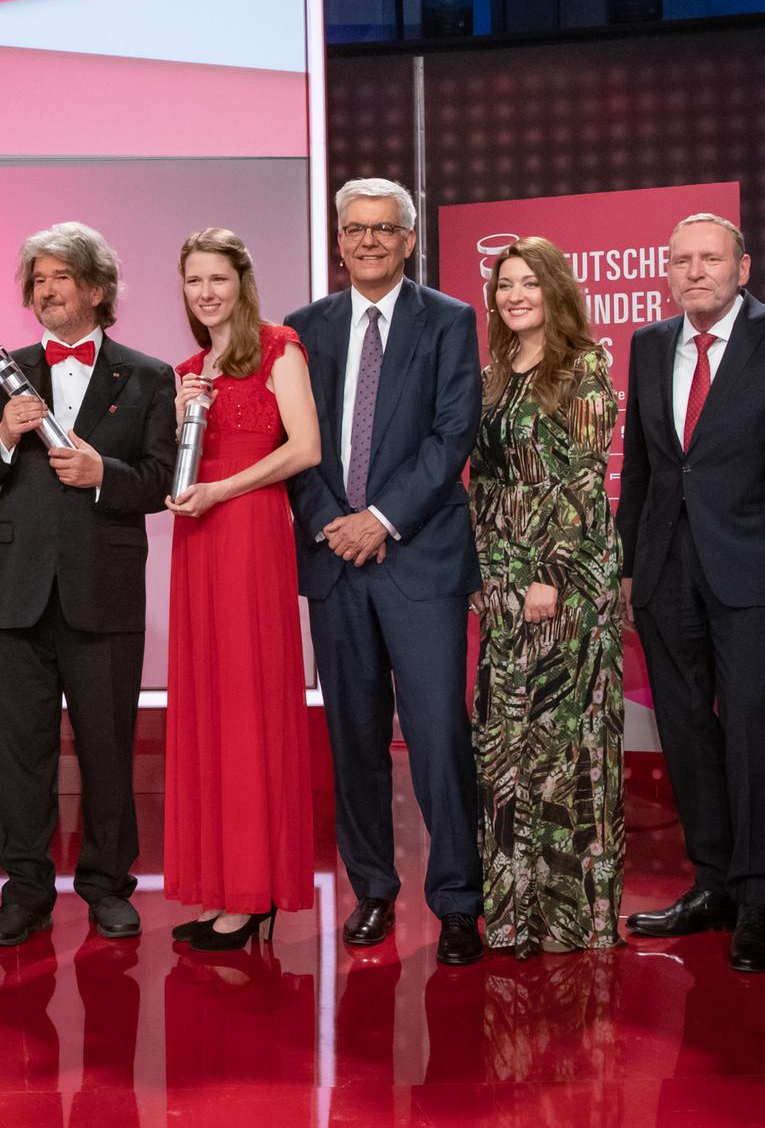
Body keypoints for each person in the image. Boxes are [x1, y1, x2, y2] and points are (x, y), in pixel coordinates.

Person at [284, 178, 487, 966]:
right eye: (354, 229)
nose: (367, 241)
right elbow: (294, 445)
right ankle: (372, 888)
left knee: (438, 736)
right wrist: (334, 523)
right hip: (336, 562)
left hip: (419, 560)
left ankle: (458, 900)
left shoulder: (450, 320)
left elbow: (451, 434)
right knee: (354, 737)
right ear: (338, 241)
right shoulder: (303, 331)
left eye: (384, 229)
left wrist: (381, 519)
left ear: (409, 240)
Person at [0, 222, 177, 945]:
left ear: (96, 288)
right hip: (19, 593)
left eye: (60, 277)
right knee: (20, 751)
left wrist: (101, 476)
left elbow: (159, 481)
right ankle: (24, 891)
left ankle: (108, 885)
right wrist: (3, 438)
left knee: (108, 746)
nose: (47, 290)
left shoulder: (147, 376)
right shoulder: (4, 371)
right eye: (38, 279)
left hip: (104, 591)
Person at [615, 213, 765, 973]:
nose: (695, 271)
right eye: (681, 261)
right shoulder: (647, 344)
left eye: (710, 258)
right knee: (686, 733)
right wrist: (627, 564)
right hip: (666, 569)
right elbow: (641, 465)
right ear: (666, 272)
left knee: (750, 728)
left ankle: (758, 899)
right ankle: (711, 884)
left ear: (742, 266)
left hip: (758, 574)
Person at [162, 229, 320, 950]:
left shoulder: (279, 346)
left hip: (252, 531)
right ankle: (223, 885)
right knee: (209, 706)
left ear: (241, 282)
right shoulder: (189, 368)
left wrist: (223, 486)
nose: (206, 292)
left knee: (249, 702)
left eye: (218, 278)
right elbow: (181, 470)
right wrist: (179, 423)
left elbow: (305, 448)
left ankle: (255, 891)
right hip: (199, 540)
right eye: (195, 280)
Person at [470, 236, 625, 959]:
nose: (515, 295)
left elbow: (585, 479)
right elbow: (486, 479)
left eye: (529, 283)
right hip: (502, 576)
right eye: (505, 285)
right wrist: (487, 570)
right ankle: (512, 917)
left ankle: (570, 918)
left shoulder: (584, 365)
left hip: (562, 579)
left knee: (561, 745)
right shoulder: (496, 371)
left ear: (556, 289)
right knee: (505, 743)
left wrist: (550, 575)